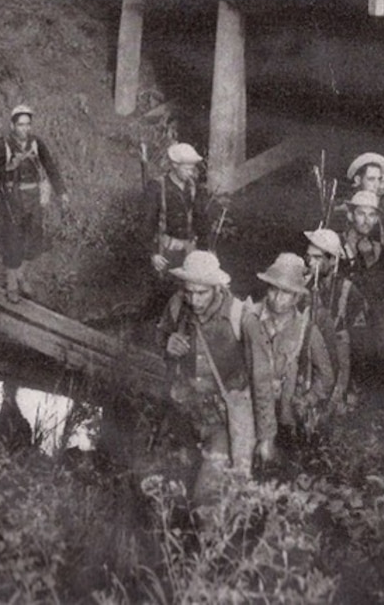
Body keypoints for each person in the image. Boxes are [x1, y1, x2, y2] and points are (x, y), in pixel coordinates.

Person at [158, 250, 255, 505]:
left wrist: (264, 434)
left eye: (201, 293)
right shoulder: (177, 305)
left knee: (206, 497)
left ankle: (212, 540)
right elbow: (158, 338)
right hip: (185, 414)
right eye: (189, 291)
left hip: (221, 420)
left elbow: (261, 371)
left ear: (216, 288)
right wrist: (167, 344)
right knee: (170, 493)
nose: (194, 299)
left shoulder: (238, 313)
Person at [247, 253, 334, 464]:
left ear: (296, 297)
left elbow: (327, 376)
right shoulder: (250, 319)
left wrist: (306, 400)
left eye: (286, 292)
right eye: (273, 289)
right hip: (251, 413)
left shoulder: (307, 331)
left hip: (288, 420)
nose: (277, 298)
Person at [0, 104, 68, 302]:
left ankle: (21, 274)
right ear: (13, 126)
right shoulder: (2, 145)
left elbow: (50, 167)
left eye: (28, 125)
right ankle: (12, 284)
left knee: (35, 239)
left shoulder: (36, 143)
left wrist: (61, 192)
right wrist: (8, 167)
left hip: (34, 198)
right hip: (12, 199)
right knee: (13, 241)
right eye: (21, 125)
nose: (25, 129)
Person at [304, 227, 366, 409]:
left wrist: (353, 388)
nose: (310, 263)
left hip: (339, 368)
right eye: (309, 256)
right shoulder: (301, 288)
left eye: (317, 258)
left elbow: (360, 345)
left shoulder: (349, 292)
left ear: (332, 260)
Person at [144, 142, 211, 276]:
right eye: (186, 169)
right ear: (174, 165)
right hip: (166, 250)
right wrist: (153, 254)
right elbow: (148, 223)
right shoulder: (157, 187)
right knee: (165, 286)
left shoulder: (194, 187)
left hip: (190, 249)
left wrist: (204, 250)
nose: (190, 173)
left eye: (192, 169)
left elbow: (201, 219)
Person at [341, 191, 384, 353]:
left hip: (369, 325)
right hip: (342, 321)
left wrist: (369, 258)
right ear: (350, 216)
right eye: (361, 214)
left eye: (371, 215)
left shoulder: (379, 249)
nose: (366, 221)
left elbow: (382, 292)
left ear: (376, 220)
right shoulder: (337, 244)